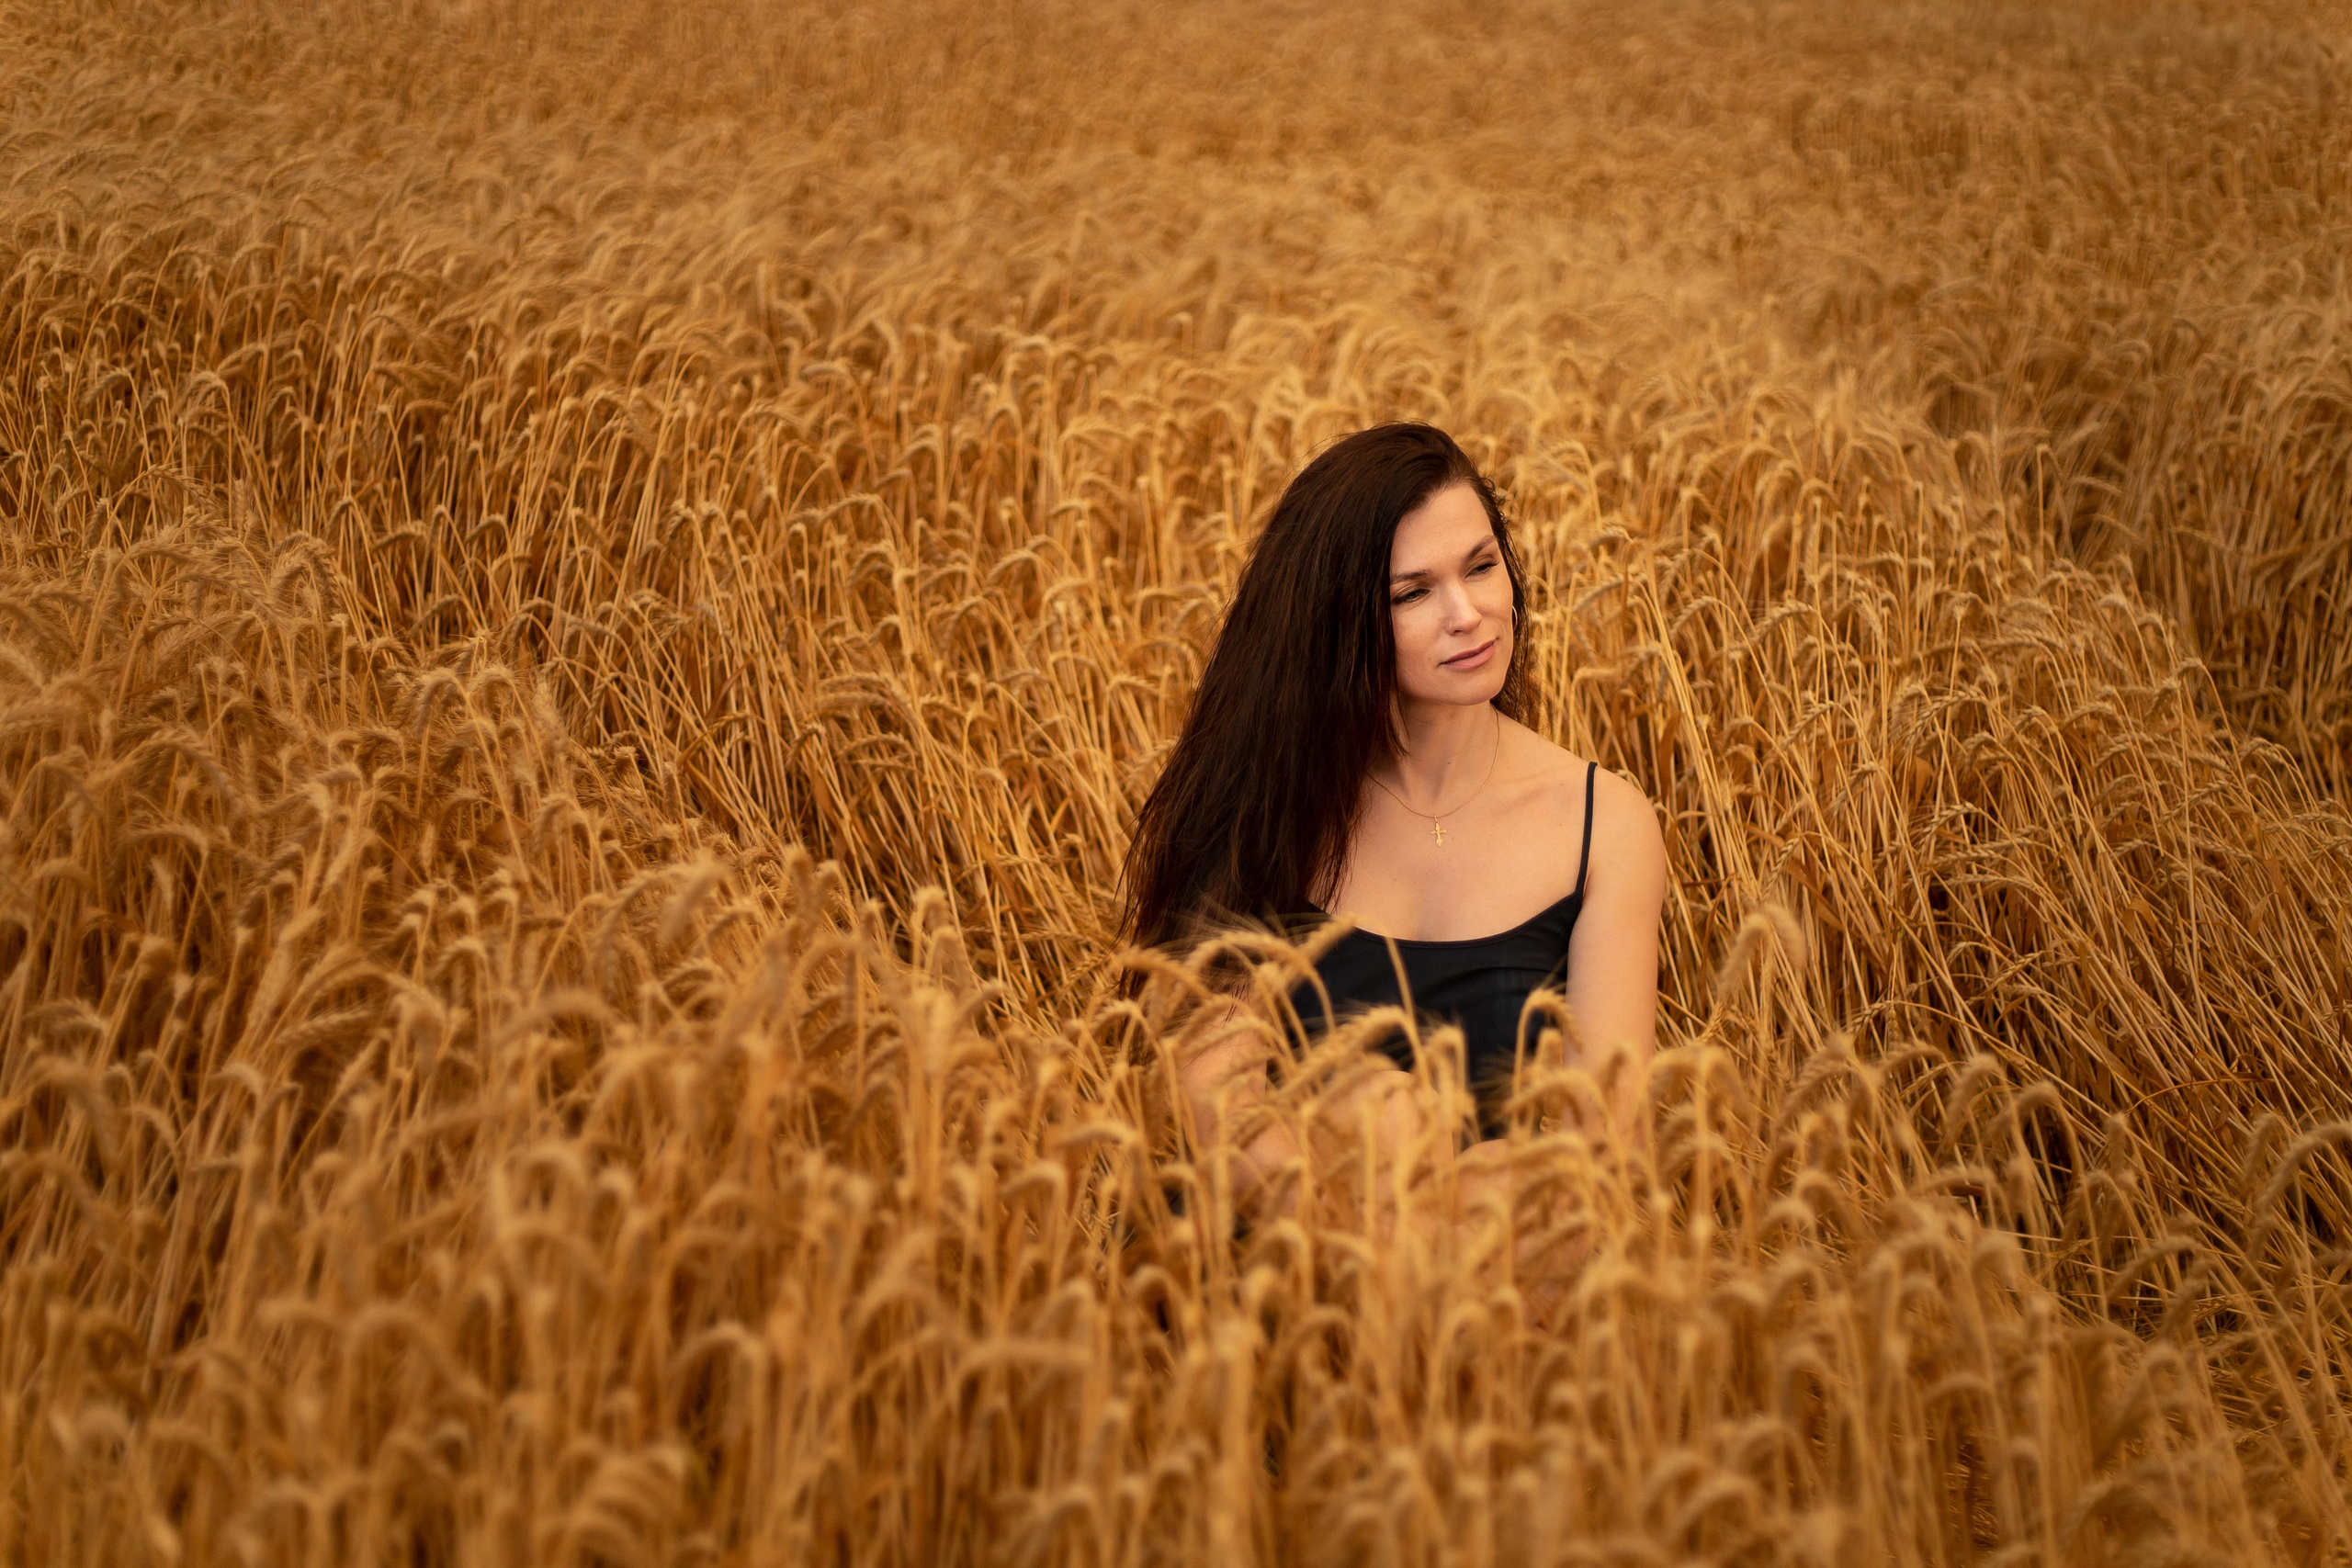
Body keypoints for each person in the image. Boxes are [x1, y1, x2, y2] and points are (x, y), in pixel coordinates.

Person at [1119, 422, 1667, 1260]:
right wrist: (1383, 1263)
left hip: (1515, 1286)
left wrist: (1459, 1271)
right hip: (1287, 1277)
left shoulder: (1604, 825)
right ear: (1340, 625)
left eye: (1481, 567)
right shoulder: (1269, 808)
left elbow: (1606, 1144)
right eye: (1412, 594)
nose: (1468, 614)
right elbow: (1218, 1108)